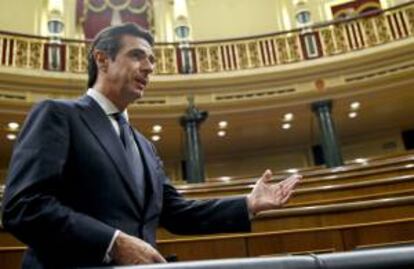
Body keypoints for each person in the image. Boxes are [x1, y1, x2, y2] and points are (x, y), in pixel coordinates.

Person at [1, 23, 301, 269]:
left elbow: (176, 213)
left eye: (152, 60)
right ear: (102, 60)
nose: (149, 68)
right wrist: (113, 242)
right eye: (137, 56)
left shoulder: (144, 146)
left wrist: (247, 204)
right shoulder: (59, 115)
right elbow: (24, 206)